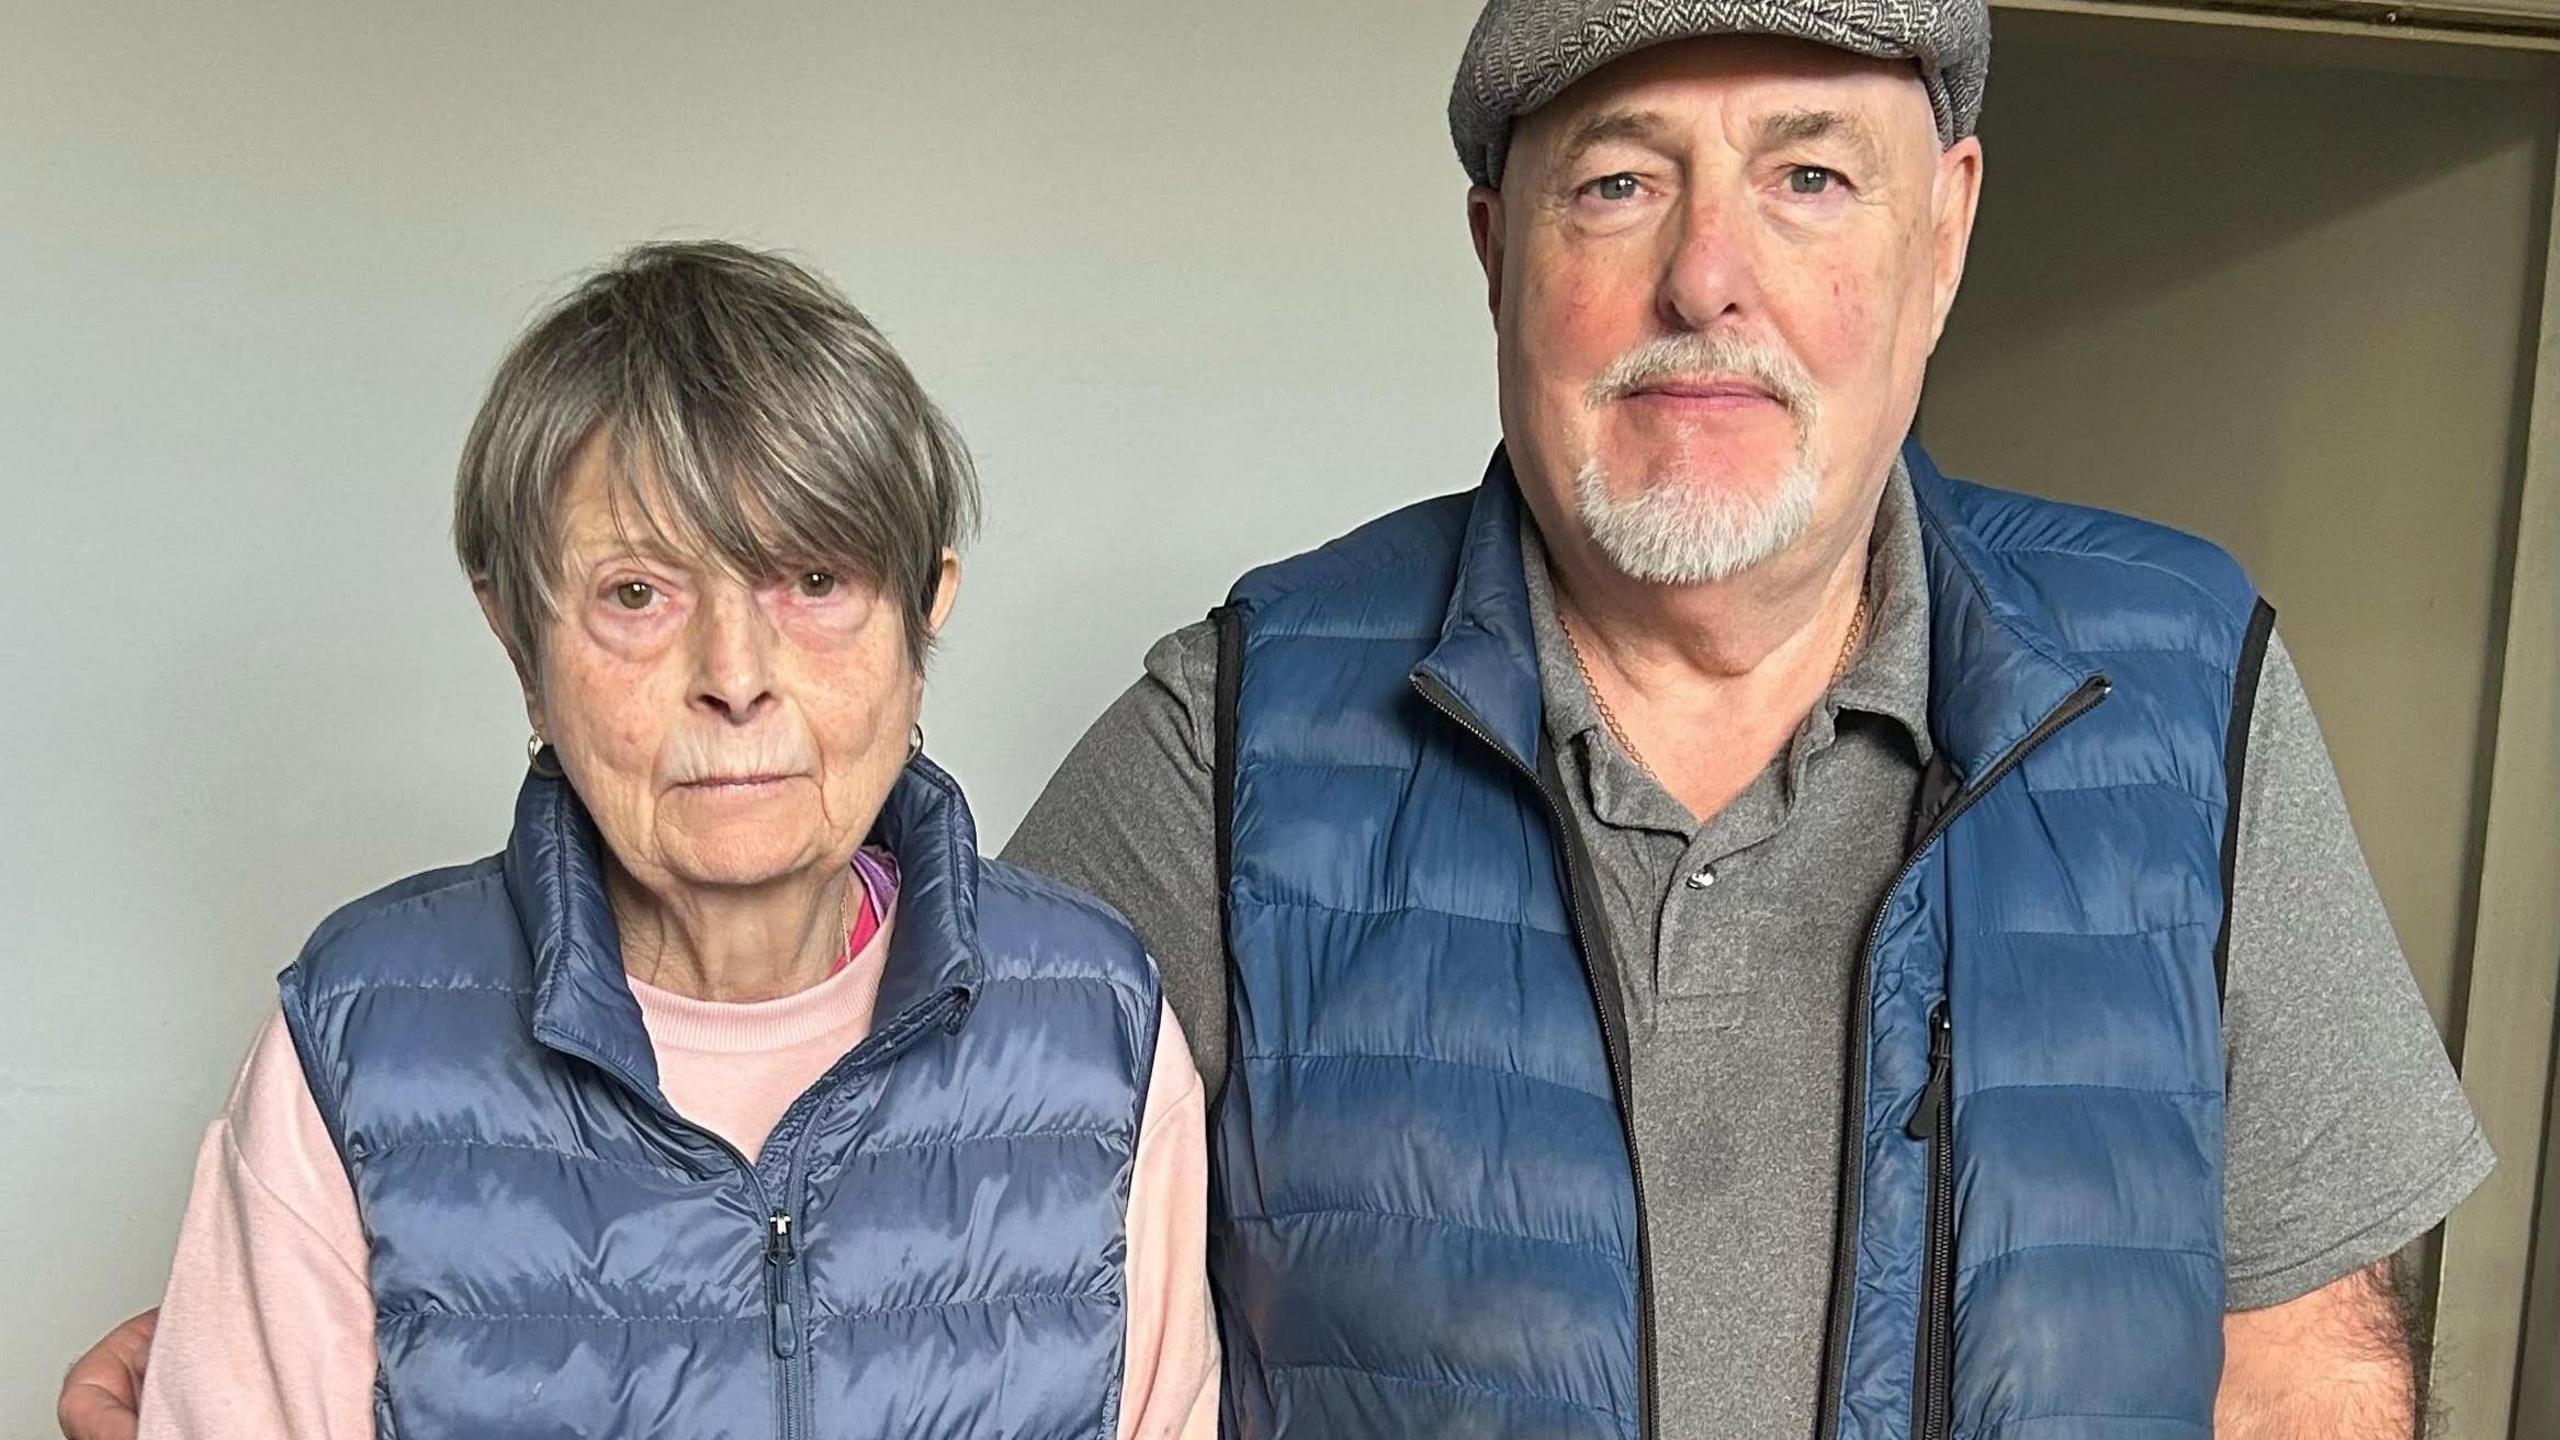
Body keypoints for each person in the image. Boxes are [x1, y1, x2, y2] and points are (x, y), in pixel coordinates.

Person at [64, 6, 2494, 1440]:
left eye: (1811, 172)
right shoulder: (1232, 731)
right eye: (1614, 179)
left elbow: (2302, 1370)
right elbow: (890, 1093)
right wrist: (364, 1254)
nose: (1708, 278)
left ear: (1943, 223)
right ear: (1489, 250)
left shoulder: (2171, 689)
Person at [70, 241, 1216, 1440]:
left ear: (923, 614)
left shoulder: (1100, 1026)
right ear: (518, 638)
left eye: (813, 578)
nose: (734, 678)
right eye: (635, 594)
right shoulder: (354, 1043)